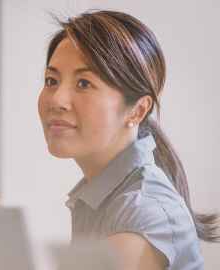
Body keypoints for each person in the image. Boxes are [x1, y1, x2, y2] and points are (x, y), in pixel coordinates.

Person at [37, 10, 219, 270]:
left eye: (84, 83)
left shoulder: (144, 212)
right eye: (51, 80)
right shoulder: (101, 197)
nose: (56, 100)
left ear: (138, 110)